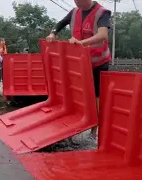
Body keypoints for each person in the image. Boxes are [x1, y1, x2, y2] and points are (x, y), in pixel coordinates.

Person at [46, 0, 111, 139]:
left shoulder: (102, 13)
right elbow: (61, 23)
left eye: (79, 1)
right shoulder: (75, 12)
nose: (77, 4)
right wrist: (53, 33)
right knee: (78, 94)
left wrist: (81, 43)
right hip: (80, 62)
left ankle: (95, 130)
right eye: (75, 1)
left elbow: (103, 35)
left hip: (98, 63)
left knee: (96, 97)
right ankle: (78, 123)